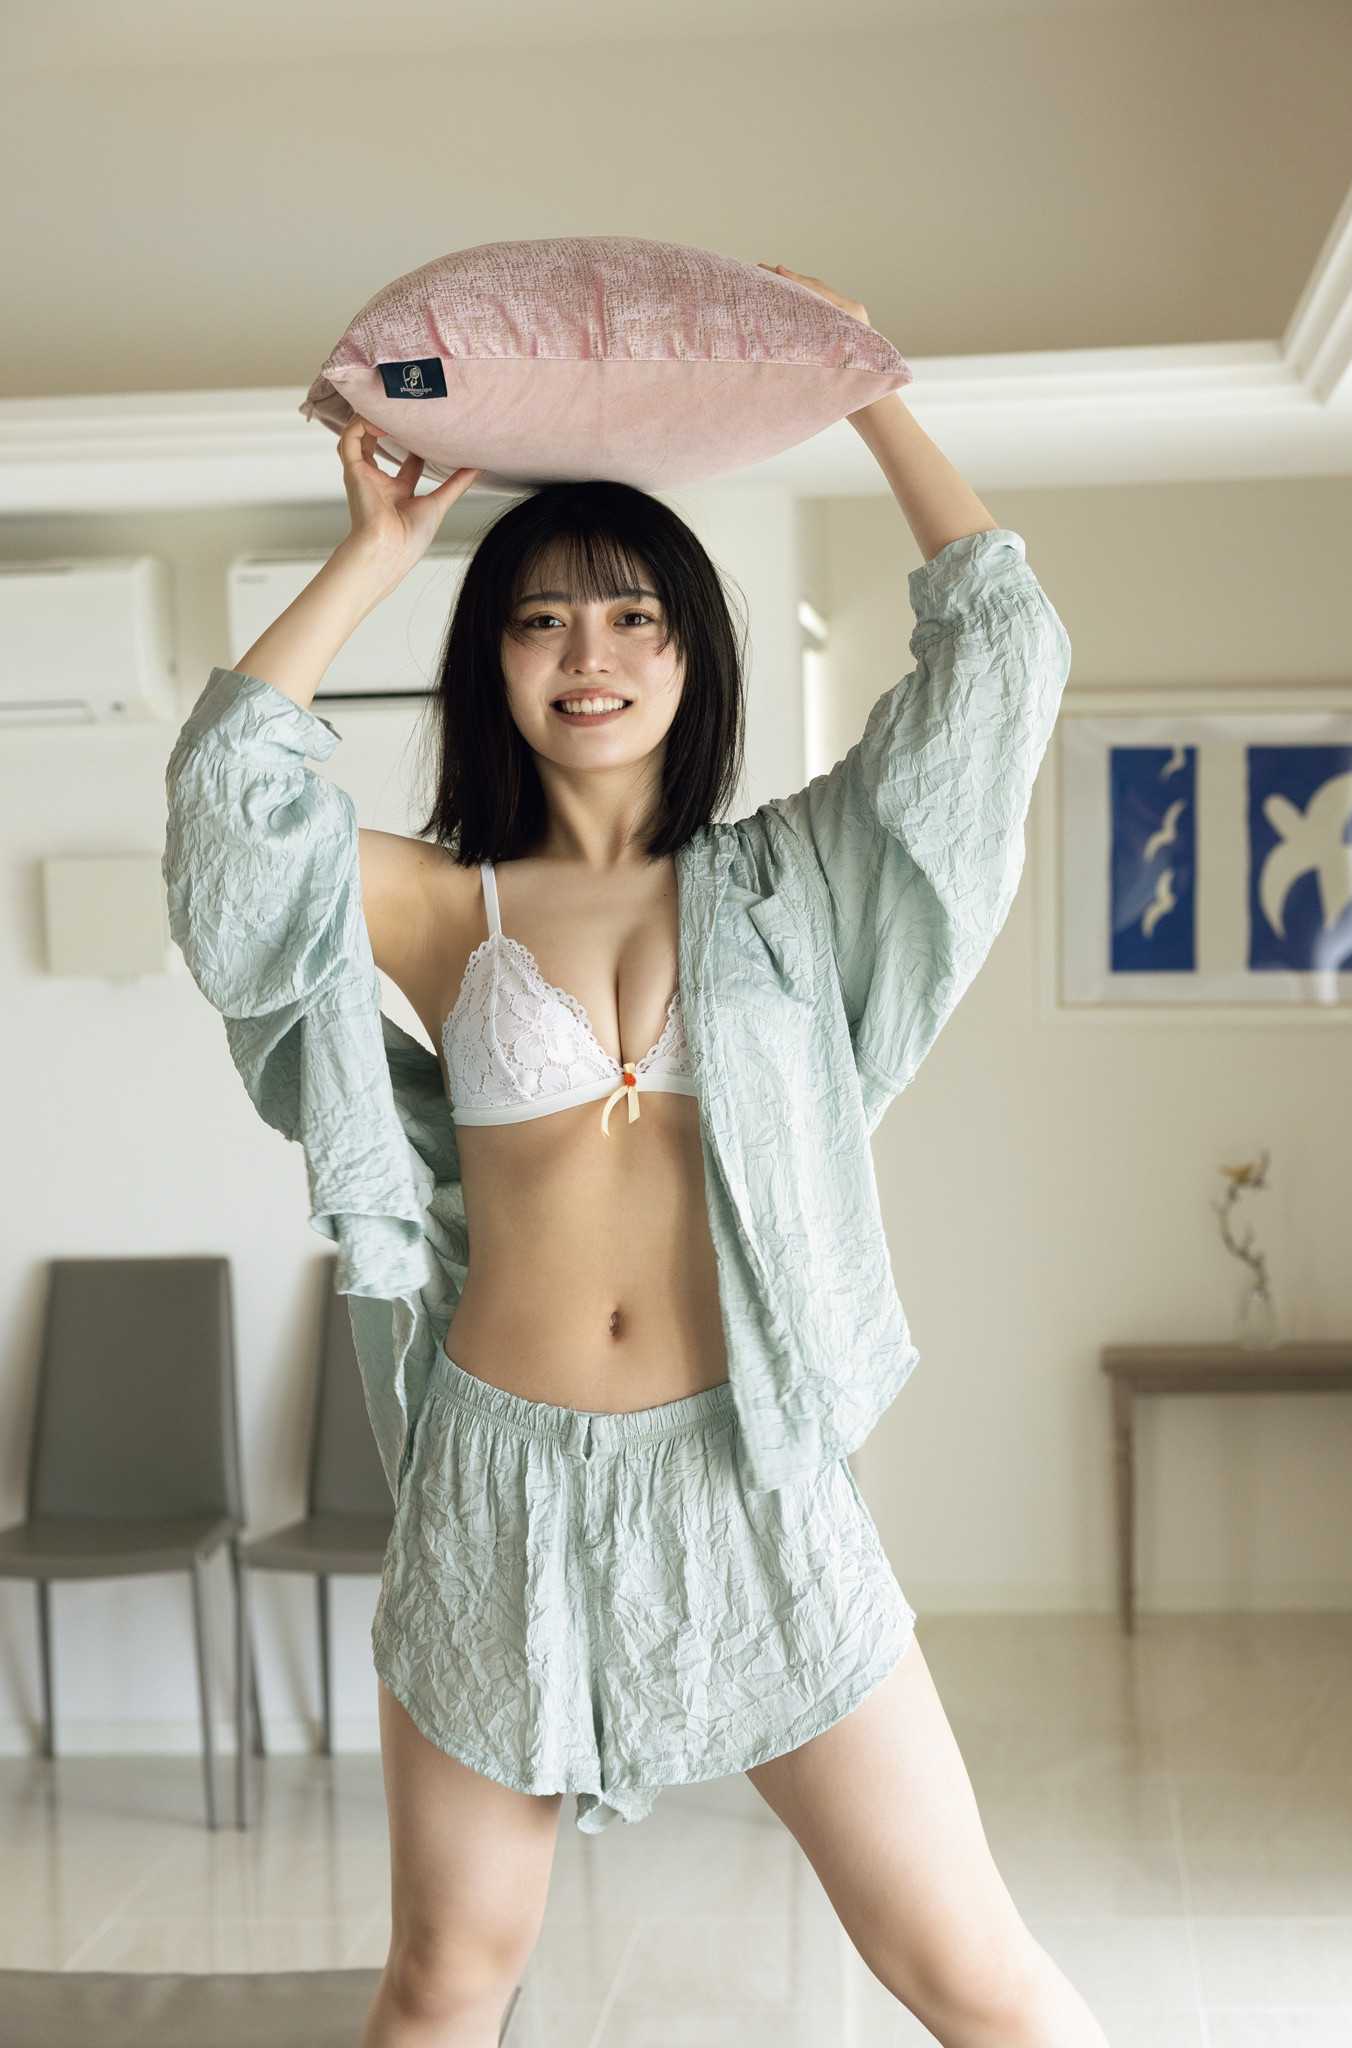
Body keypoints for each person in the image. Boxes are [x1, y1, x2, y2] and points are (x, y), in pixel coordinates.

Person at [163, 266, 1104, 2048]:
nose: (586, 657)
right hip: (494, 1489)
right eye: (539, 622)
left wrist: (859, 388)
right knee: (445, 1981)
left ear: (691, 652)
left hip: (750, 1478)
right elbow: (230, 811)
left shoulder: (794, 880)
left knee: (966, 1969)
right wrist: (374, 549)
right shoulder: (439, 903)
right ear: (492, 663)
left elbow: (1000, 665)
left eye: (631, 617)